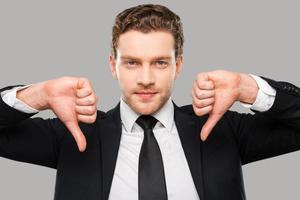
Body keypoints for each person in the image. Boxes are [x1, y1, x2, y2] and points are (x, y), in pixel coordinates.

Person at [1, 3, 300, 200]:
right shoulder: (74, 135)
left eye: (159, 62)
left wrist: (248, 88)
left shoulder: (223, 129)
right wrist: (36, 96)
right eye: (131, 63)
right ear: (112, 65)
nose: (145, 78)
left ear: (178, 65)